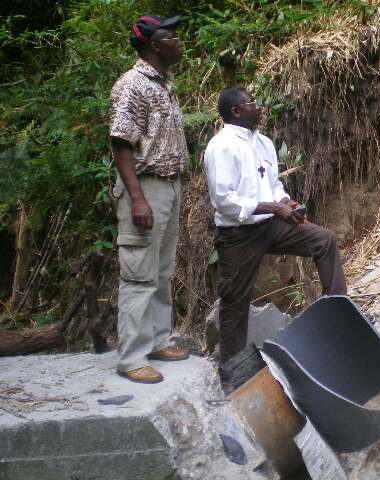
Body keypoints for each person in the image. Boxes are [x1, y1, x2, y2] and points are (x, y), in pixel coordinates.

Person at [204, 87, 348, 365]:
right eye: (252, 103)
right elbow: (225, 201)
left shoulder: (264, 142)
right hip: (238, 235)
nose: (258, 107)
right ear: (236, 111)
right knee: (234, 302)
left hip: (272, 225)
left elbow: (272, 184)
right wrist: (273, 207)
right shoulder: (220, 147)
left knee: (325, 241)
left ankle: (341, 315)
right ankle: (232, 369)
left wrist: (285, 201)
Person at [109, 14, 189, 384]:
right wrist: (137, 198)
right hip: (145, 186)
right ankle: (131, 358)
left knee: (160, 270)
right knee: (139, 272)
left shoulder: (164, 84)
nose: (177, 40)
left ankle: (158, 341)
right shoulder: (133, 84)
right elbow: (121, 143)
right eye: (170, 36)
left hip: (169, 185)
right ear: (153, 44)